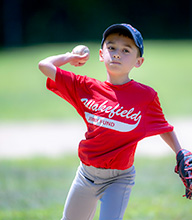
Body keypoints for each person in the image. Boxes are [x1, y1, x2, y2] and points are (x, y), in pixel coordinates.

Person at [38, 23, 182, 220]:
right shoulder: (85, 88)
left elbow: (163, 127)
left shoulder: (145, 96)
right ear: (101, 54)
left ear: (138, 62)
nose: (116, 54)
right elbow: (45, 66)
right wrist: (70, 57)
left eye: (126, 50)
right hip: (86, 175)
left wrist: (180, 153)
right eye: (111, 47)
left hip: (120, 178)